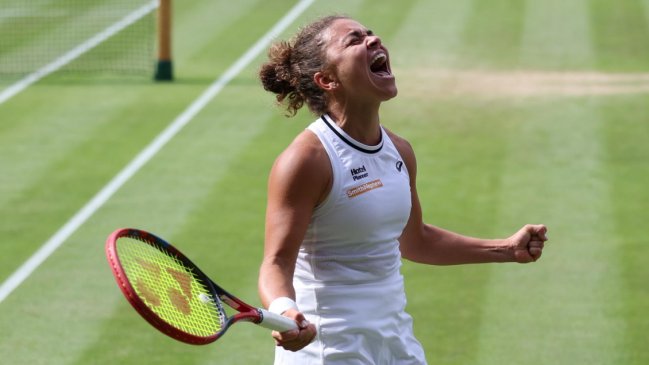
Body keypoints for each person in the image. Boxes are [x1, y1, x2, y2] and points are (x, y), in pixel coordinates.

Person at [257, 15, 548, 364]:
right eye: (353, 40)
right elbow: (276, 262)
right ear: (327, 80)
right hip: (329, 352)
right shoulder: (307, 160)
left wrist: (505, 249)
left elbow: (415, 240)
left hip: (395, 345)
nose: (373, 39)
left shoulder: (399, 151)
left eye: (370, 33)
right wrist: (285, 310)